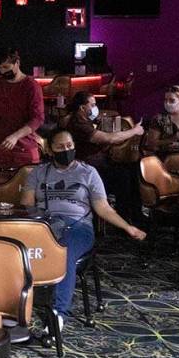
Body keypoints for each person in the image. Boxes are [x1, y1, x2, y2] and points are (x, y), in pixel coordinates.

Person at [21, 129, 145, 325]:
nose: (66, 150)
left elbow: (103, 208)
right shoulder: (39, 172)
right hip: (46, 224)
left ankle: (58, 314)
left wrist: (127, 227)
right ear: (50, 150)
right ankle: (15, 309)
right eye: (60, 147)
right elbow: (27, 203)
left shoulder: (88, 172)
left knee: (64, 251)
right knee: (16, 249)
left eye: (69, 146)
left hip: (78, 226)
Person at [0, 49, 45, 167]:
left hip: (23, 147)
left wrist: (16, 136)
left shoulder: (31, 86)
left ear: (17, 63)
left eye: (6, 67)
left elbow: (37, 119)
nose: (3, 71)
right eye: (0, 68)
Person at [63, 91, 144, 165]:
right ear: (82, 108)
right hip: (88, 162)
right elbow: (110, 139)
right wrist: (135, 130)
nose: (95, 108)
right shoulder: (79, 124)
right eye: (92, 105)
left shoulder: (83, 118)